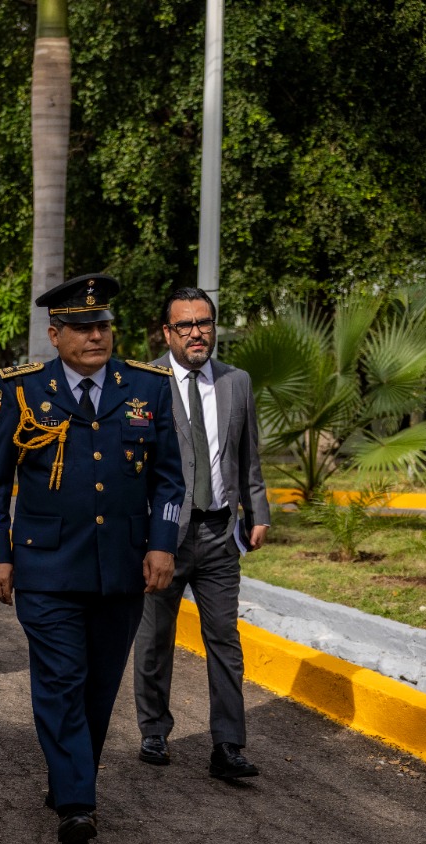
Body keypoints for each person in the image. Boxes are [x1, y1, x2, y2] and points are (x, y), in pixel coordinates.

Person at [0, 273, 185, 844]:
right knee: (61, 682)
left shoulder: (148, 387)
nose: (95, 335)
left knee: (98, 688)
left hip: (120, 567)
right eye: (81, 327)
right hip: (45, 569)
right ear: (55, 334)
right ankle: (76, 804)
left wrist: (163, 543)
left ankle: (71, 776)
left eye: (102, 325)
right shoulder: (20, 392)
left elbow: (171, 479)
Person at [132, 286, 271, 780]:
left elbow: (247, 455)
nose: (197, 333)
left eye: (204, 324)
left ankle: (228, 745)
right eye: (186, 325)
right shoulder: (143, 383)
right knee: (154, 637)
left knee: (224, 639)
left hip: (218, 534)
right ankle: (153, 731)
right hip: (162, 535)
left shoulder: (236, 382)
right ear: (167, 332)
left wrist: (258, 512)